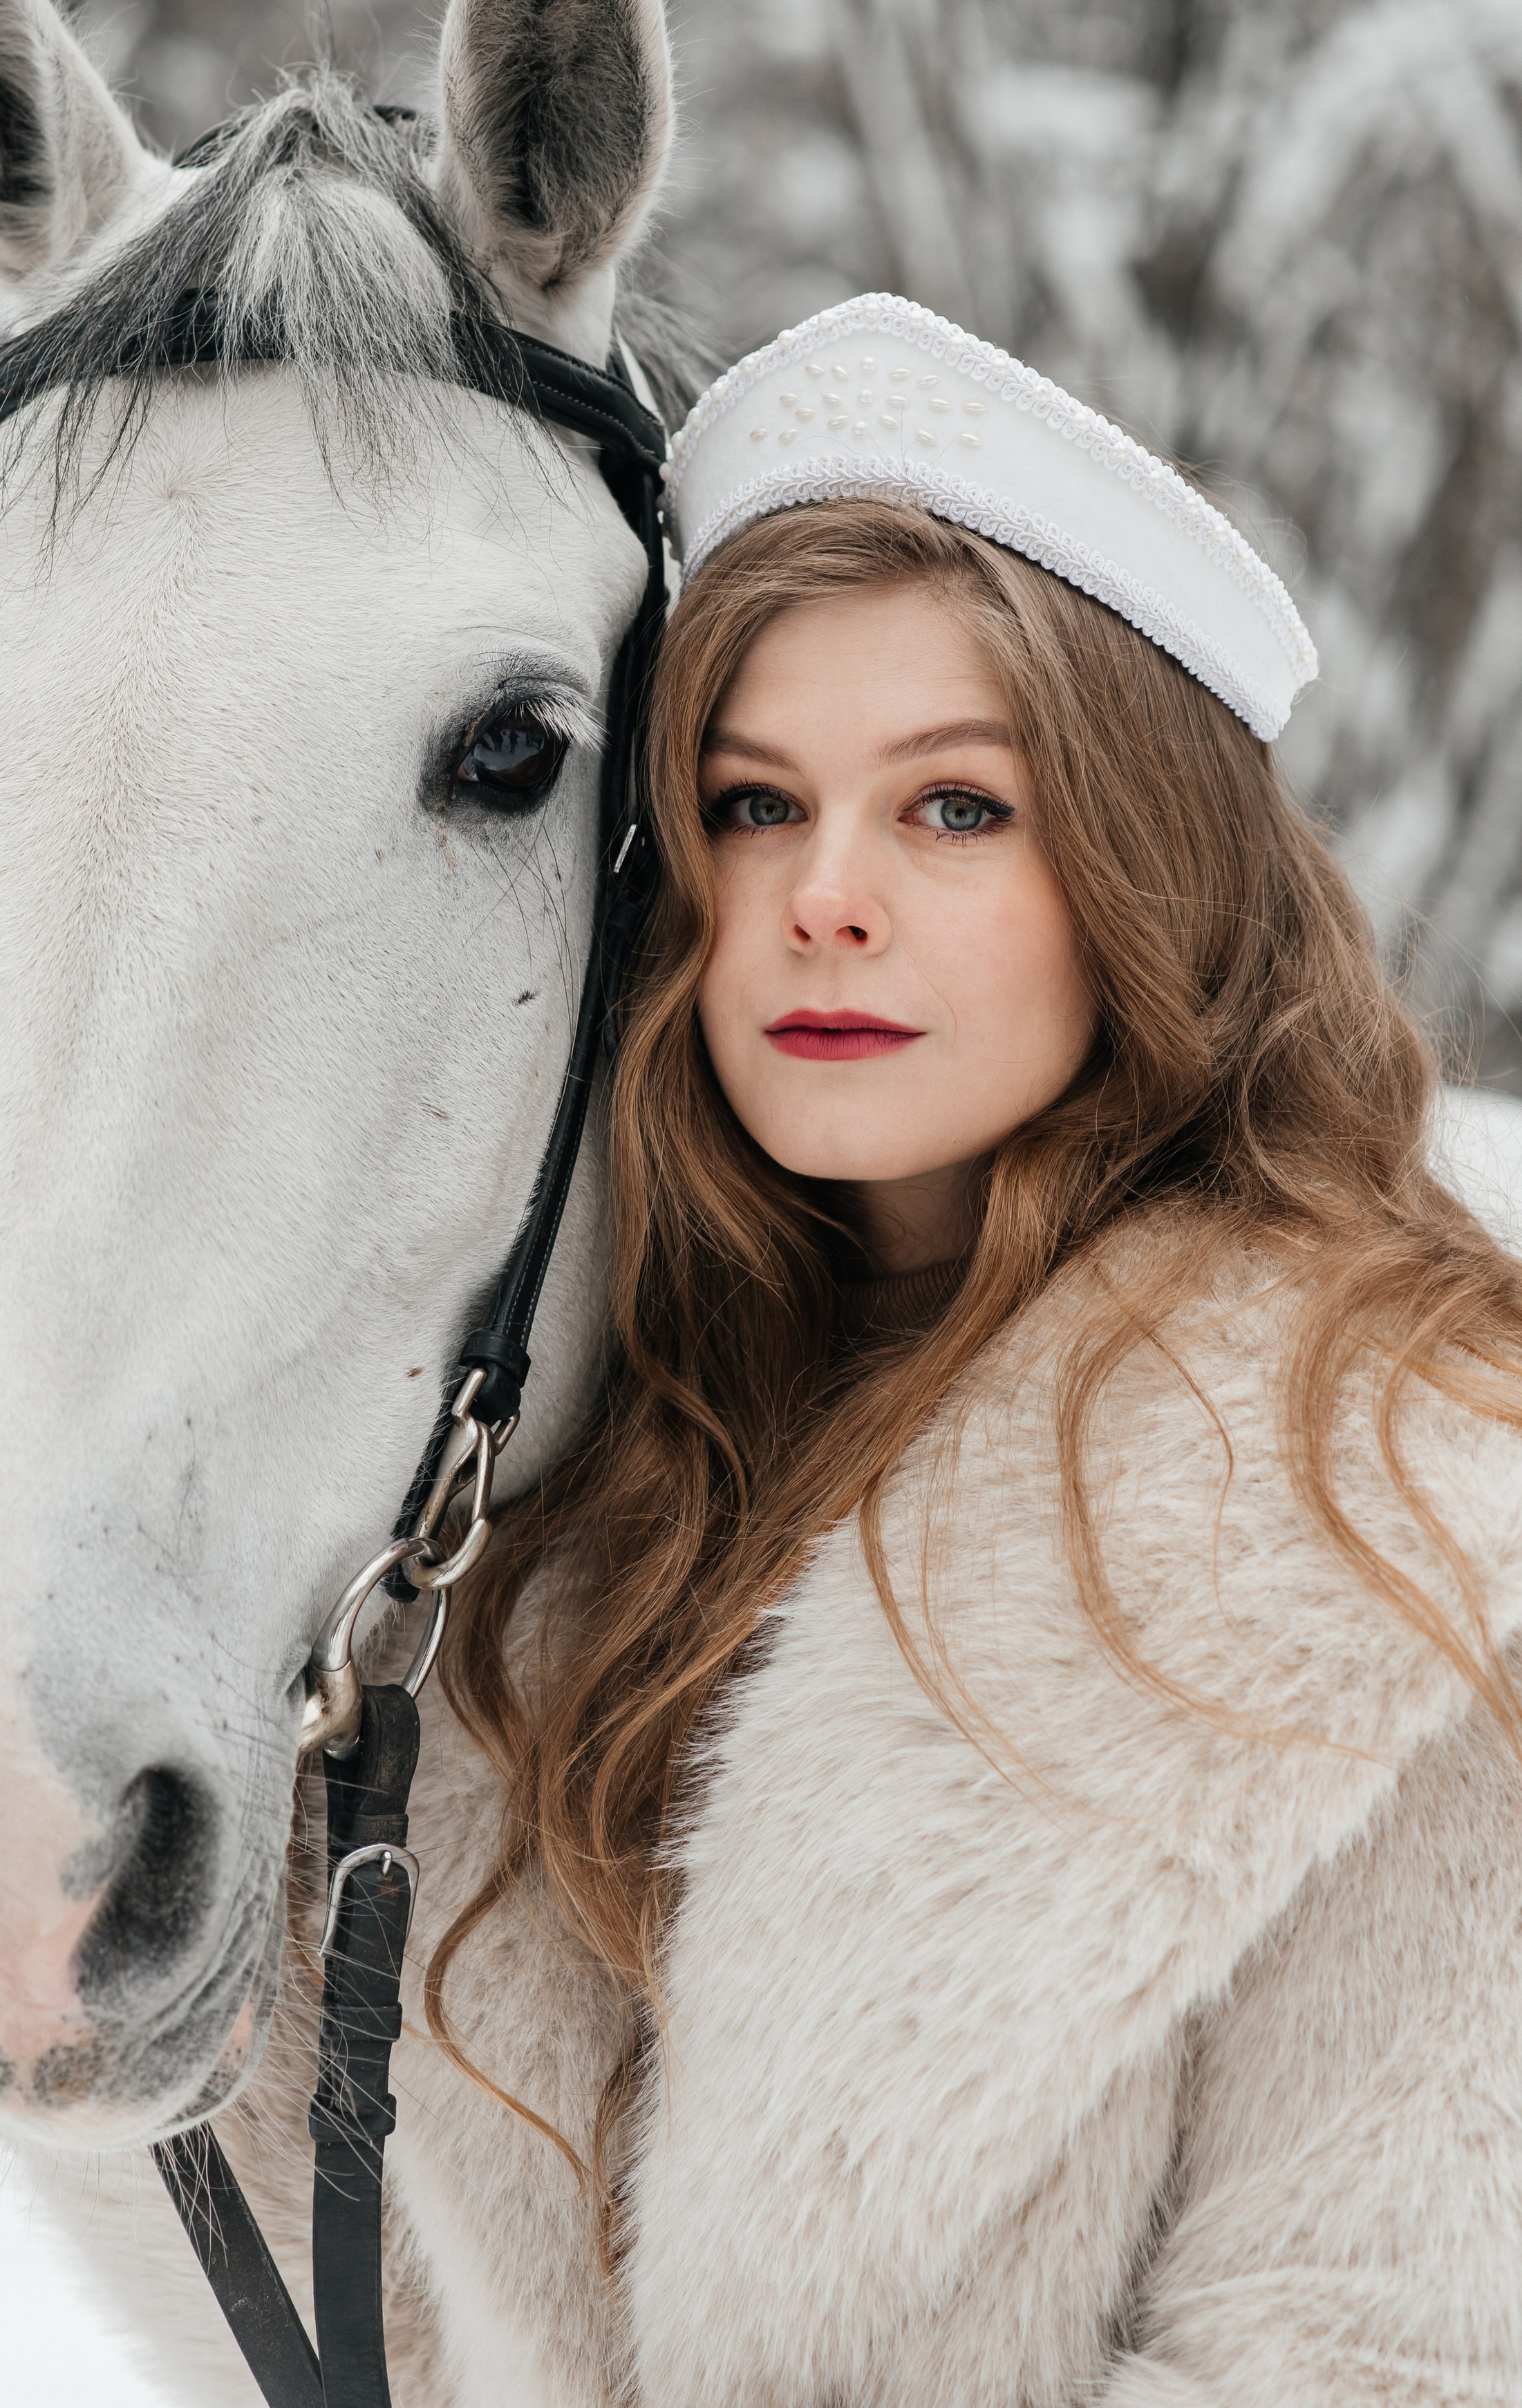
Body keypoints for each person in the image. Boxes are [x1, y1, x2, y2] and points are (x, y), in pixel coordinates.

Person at [388, 296, 1522, 2405]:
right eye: (751, 803)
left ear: (1145, 863)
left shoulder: (1401, 1525)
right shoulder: (603, 1476)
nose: (823, 896)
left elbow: (1385, 2366)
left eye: (955, 811)